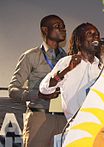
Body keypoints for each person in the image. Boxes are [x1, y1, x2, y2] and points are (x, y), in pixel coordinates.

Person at [8, 15, 67, 147]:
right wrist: (37, 95)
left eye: (63, 27)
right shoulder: (31, 56)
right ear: (45, 30)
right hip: (39, 115)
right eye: (58, 26)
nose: (63, 30)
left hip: (63, 118)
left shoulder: (68, 59)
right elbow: (13, 89)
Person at [39, 22, 103, 121]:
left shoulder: (101, 66)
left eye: (97, 34)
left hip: (99, 124)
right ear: (79, 41)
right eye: (90, 34)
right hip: (76, 125)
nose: (95, 37)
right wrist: (67, 70)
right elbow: (44, 88)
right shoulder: (67, 62)